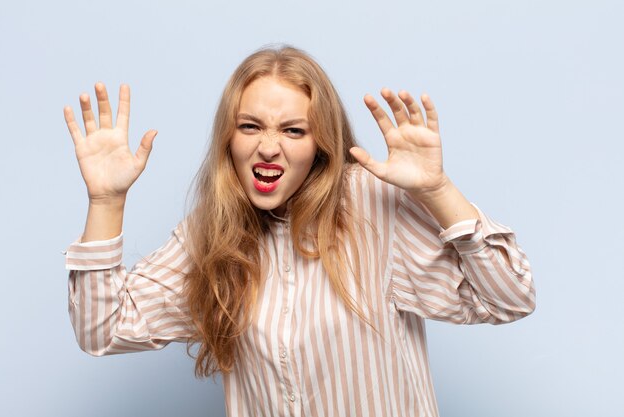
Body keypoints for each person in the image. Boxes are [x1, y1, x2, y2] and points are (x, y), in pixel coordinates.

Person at [63, 46, 535, 417]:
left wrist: (437, 190)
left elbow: (509, 297)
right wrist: (107, 201)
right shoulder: (210, 235)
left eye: (293, 131)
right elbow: (101, 331)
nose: (268, 147)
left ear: (320, 143)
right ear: (229, 138)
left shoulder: (372, 205)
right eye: (250, 126)